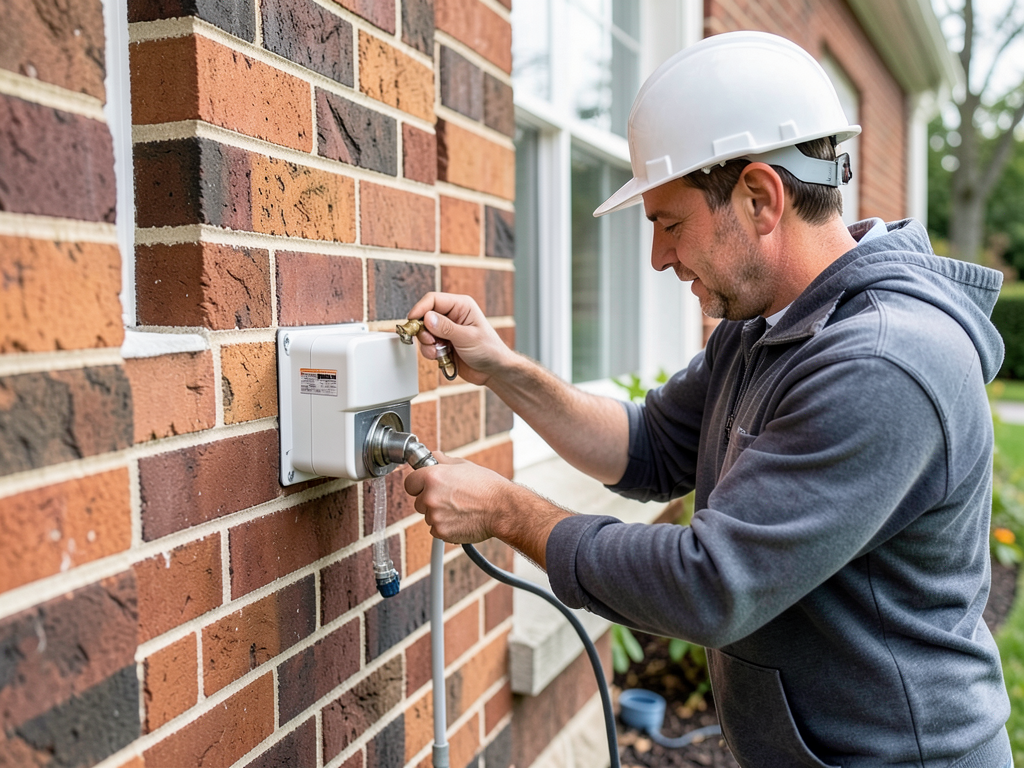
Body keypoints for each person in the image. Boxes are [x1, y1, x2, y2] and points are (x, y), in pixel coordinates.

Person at [404, 31, 1012, 768]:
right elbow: (651, 446)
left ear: (760, 197)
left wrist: (508, 510)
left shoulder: (884, 363)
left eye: (669, 223)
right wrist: (503, 370)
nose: (658, 256)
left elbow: (710, 585)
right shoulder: (765, 326)